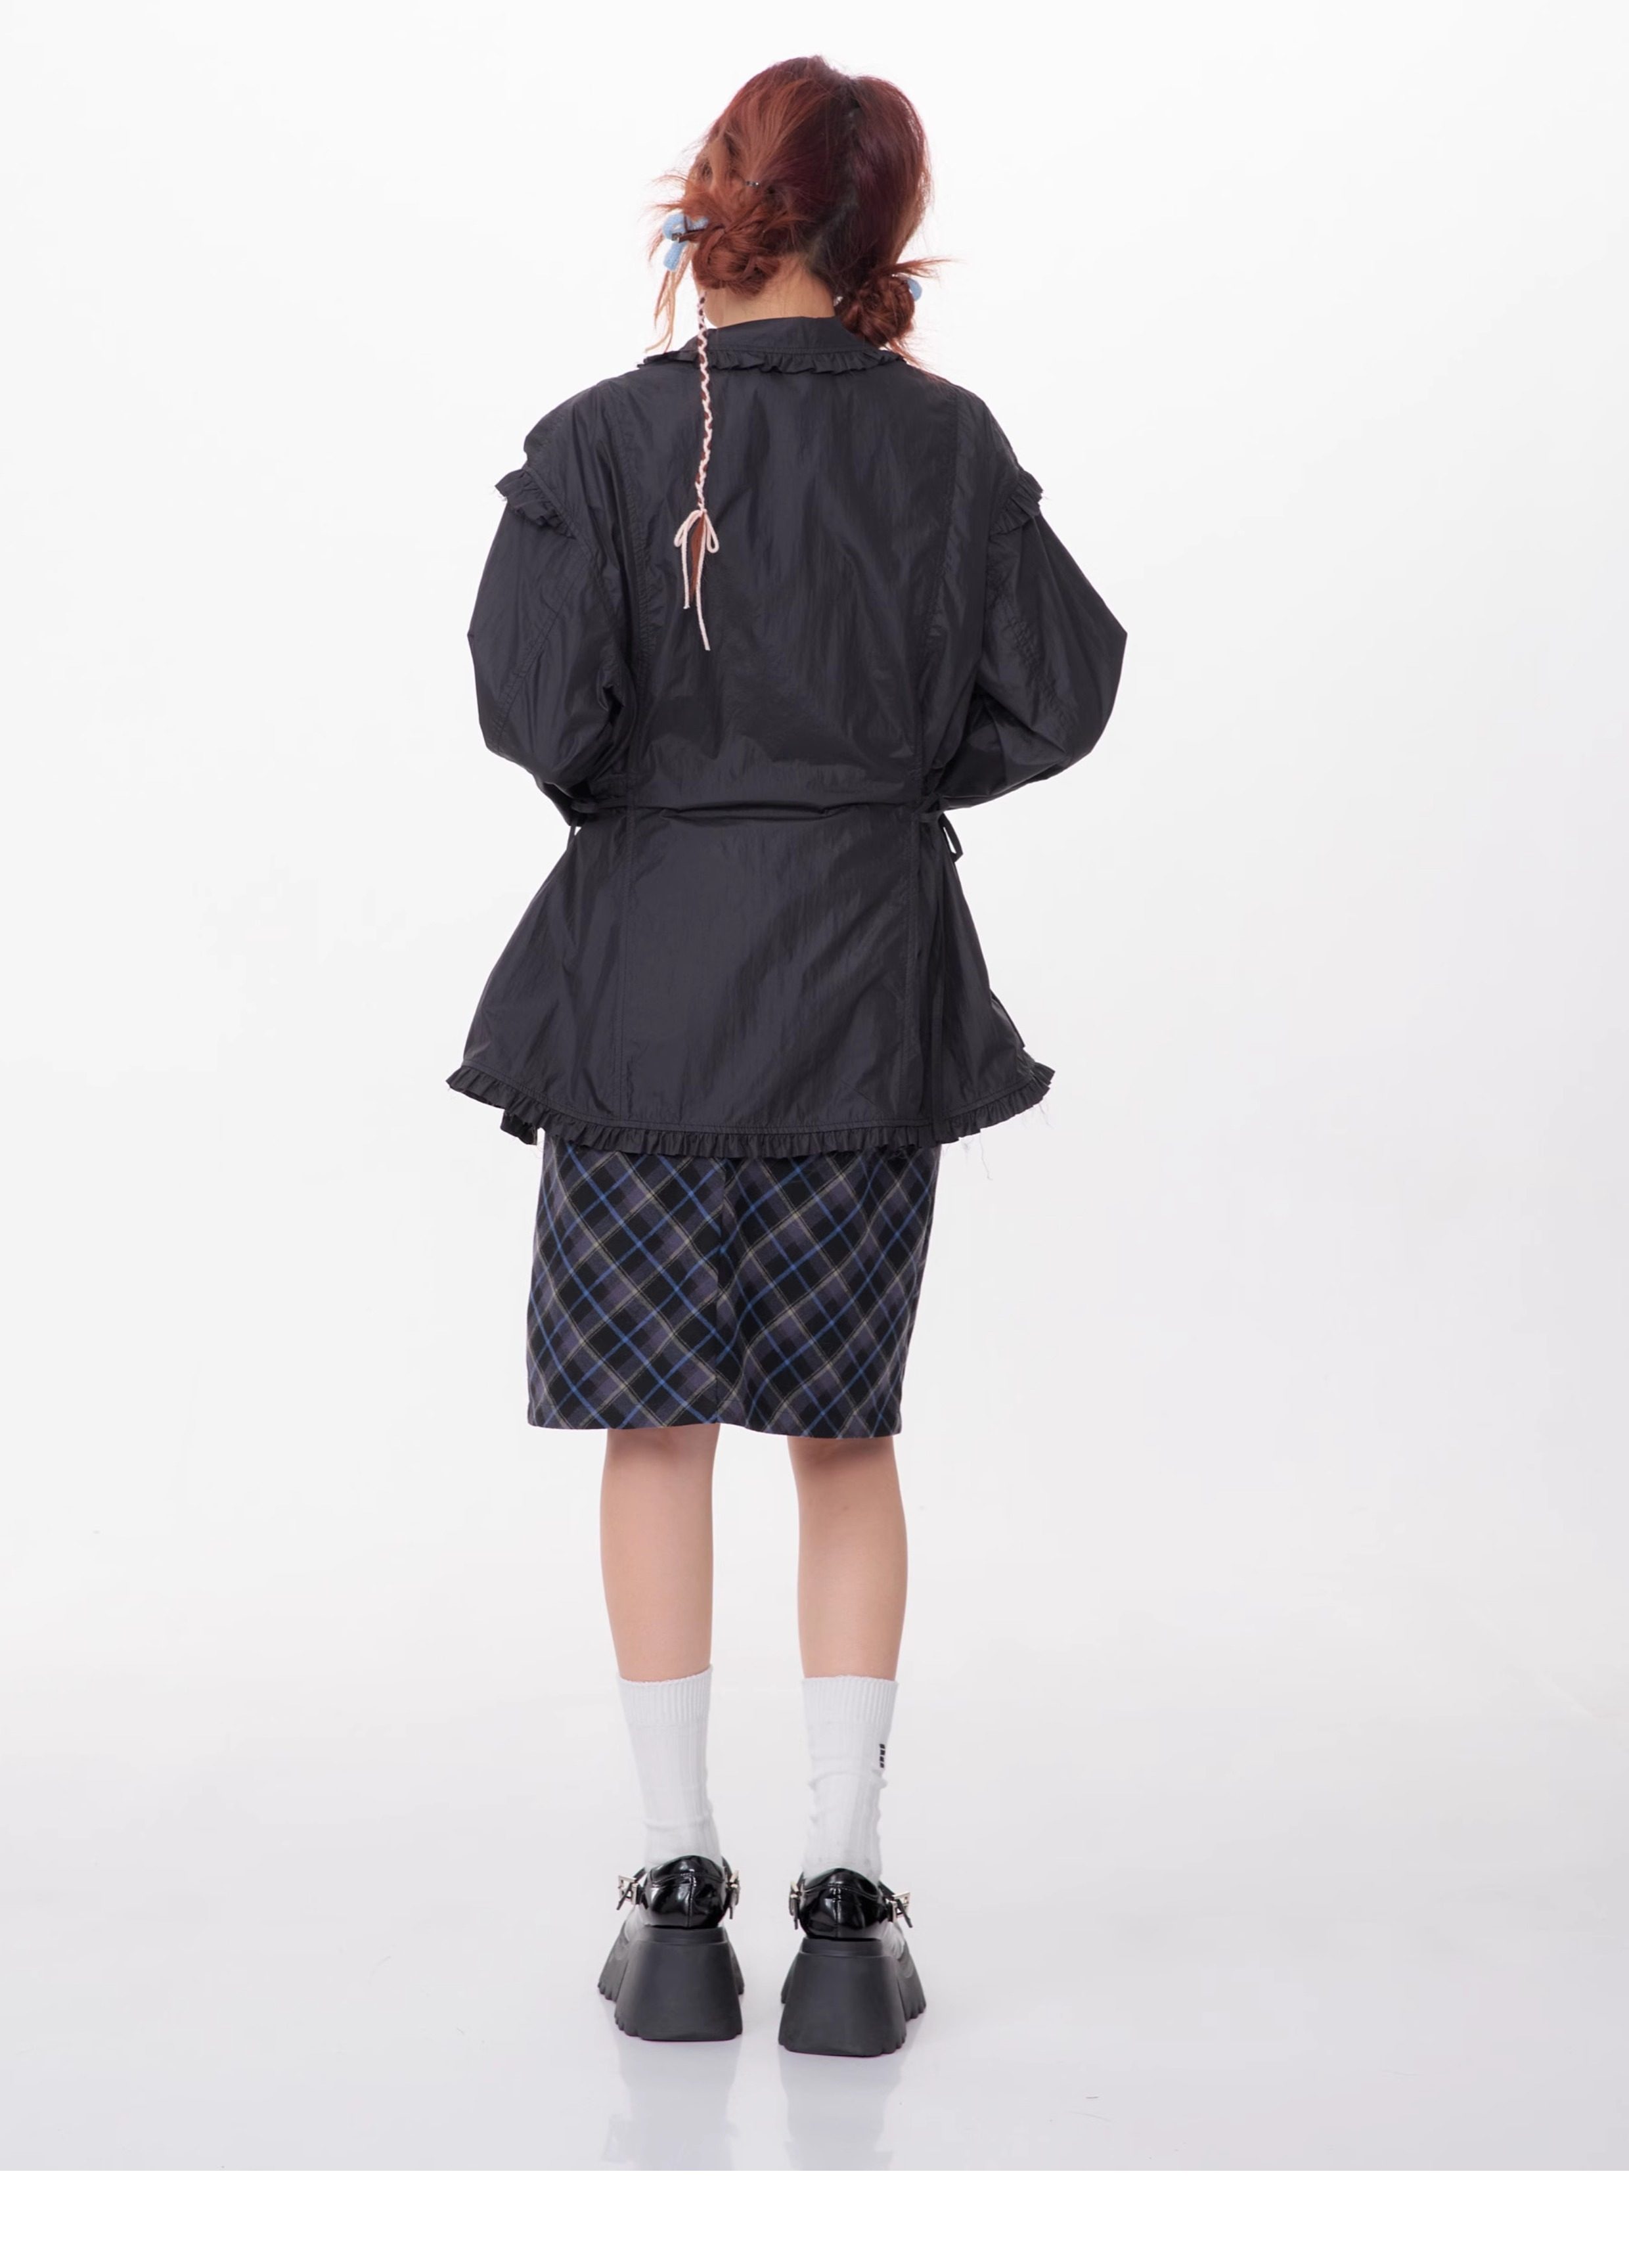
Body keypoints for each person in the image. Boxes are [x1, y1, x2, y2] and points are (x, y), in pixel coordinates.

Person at [449, 55, 1127, 2056]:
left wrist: (671, 792)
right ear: (882, 231)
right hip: (857, 994)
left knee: (653, 1427)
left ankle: (676, 1895)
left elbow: (533, 713)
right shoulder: (949, 442)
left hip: (646, 1002)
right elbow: (1065, 688)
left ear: (715, 199)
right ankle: (845, 1898)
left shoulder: (599, 438)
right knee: (843, 1436)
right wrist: (882, 780)